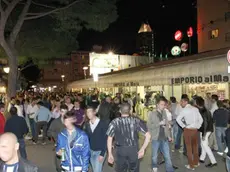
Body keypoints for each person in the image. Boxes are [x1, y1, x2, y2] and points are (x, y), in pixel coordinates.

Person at [107, 103, 151, 172]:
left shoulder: (114, 122)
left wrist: (110, 154)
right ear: (130, 110)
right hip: (133, 150)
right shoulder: (136, 121)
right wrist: (143, 149)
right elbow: (148, 136)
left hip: (120, 150)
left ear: (120, 111)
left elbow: (110, 138)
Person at [147, 97, 175, 172]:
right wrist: (158, 124)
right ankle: (154, 165)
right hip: (156, 138)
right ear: (157, 105)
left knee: (167, 156)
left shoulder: (164, 112)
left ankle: (169, 170)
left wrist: (168, 136)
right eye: (162, 104)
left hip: (164, 137)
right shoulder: (152, 113)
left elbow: (166, 124)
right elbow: (149, 126)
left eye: (164, 104)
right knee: (154, 155)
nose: (163, 106)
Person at [176, 97, 203, 170]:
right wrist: (198, 126)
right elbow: (201, 119)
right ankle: (196, 162)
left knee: (189, 148)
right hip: (195, 130)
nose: (180, 103)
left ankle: (191, 165)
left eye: (181, 102)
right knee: (195, 147)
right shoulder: (195, 109)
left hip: (188, 130)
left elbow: (178, 119)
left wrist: (183, 126)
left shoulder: (184, 110)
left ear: (185, 102)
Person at [85, 106, 108, 172]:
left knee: (97, 170)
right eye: (87, 112)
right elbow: (87, 138)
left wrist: (102, 154)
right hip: (91, 151)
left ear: (94, 112)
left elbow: (106, 139)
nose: (88, 114)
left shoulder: (103, 123)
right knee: (94, 169)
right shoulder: (87, 124)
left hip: (100, 151)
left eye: (90, 112)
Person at [196, 97, 217, 167]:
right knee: (203, 144)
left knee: (205, 145)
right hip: (208, 129)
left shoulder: (202, 111)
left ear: (197, 104)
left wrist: (204, 135)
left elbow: (205, 123)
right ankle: (202, 158)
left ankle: (213, 161)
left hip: (205, 130)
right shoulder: (206, 110)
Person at [47, 104, 68, 172]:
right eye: (62, 111)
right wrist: (57, 136)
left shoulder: (70, 121)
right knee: (59, 165)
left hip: (69, 146)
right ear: (60, 112)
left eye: (65, 112)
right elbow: (49, 132)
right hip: (59, 145)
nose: (64, 113)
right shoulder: (55, 122)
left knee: (67, 165)